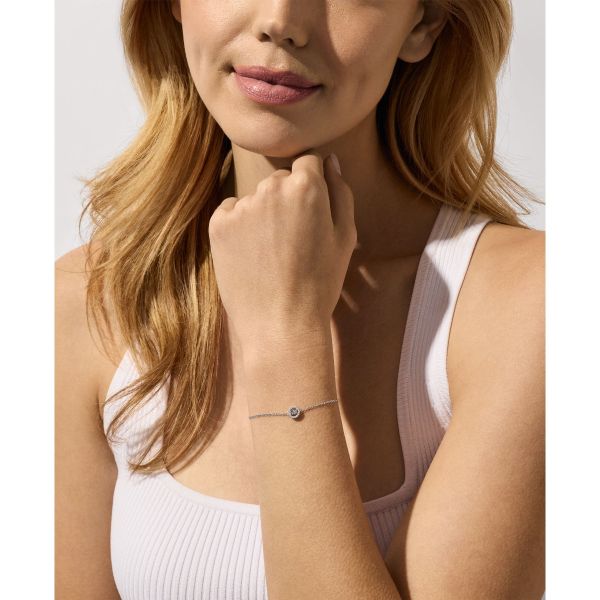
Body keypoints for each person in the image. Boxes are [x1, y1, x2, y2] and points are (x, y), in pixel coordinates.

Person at [56, 0, 545, 598]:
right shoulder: (83, 305)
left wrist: (283, 335)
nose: (280, 21)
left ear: (422, 24)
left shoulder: (533, 304)